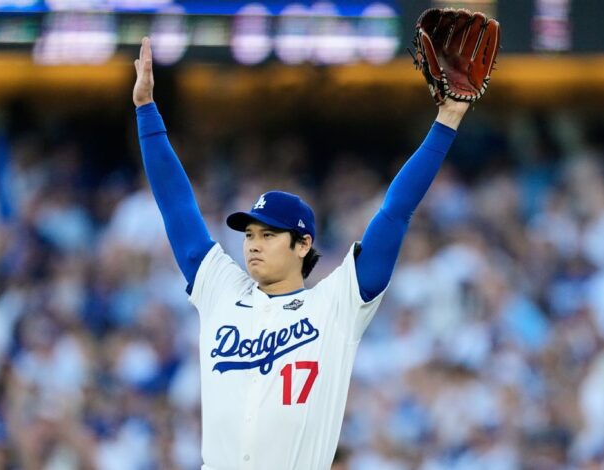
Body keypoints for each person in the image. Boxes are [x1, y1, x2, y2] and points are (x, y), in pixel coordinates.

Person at [133, 35, 469, 470]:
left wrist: (447, 120)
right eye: (249, 233)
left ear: (303, 244)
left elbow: (395, 212)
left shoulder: (336, 304)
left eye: (269, 234)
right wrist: (147, 111)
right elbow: (176, 206)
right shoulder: (221, 290)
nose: (253, 243)